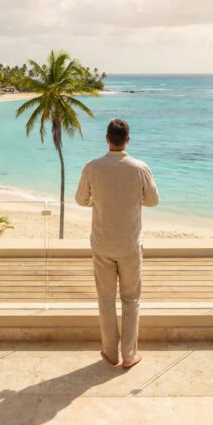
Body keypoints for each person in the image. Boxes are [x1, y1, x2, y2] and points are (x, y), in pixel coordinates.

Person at [75, 119, 159, 370]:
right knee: (131, 300)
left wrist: (98, 203)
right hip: (130, 244)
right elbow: (153, 200)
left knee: (106, 299)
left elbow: (81, 199)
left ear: (107, 139)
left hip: (102, 243)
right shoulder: (139, 167)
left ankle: (110, 351)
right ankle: (129, 354)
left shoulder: (93, 167)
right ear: (127, 140)